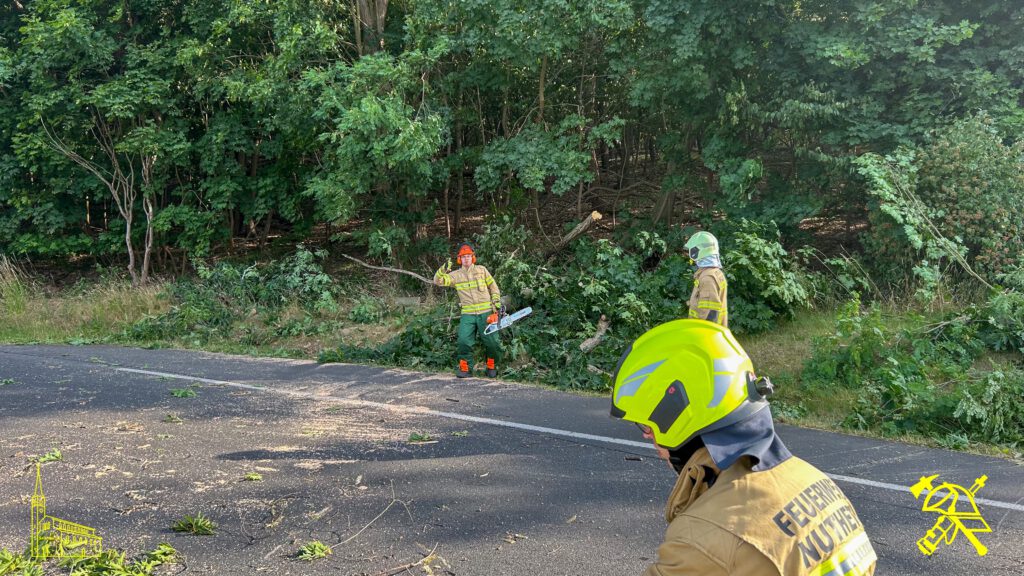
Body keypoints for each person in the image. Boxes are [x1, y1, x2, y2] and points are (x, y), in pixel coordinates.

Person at [611, 319, 877, 576]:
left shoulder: (704, 538)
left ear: (677, 414)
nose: (648, 437)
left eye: (646, 426)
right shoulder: (817, 482)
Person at [433, 242, 503, 378]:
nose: (466, 259)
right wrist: (443, 269)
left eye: (468, 256)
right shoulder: (455, 275)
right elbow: (437, 281)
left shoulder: (482, 270)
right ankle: (465, 369)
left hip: (486, 313)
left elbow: (493, 287)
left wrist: (496, 303)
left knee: (492, 342)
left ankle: (491, 366)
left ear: (473, 257)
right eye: (463, 257)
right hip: (468, 315)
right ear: (460, 259)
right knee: (464, 341)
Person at [683, 231, 728, 327]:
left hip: (705, 331)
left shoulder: (708, 278)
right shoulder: (715, 272)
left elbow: (711, 313)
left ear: (697, 252)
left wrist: (702, 332)